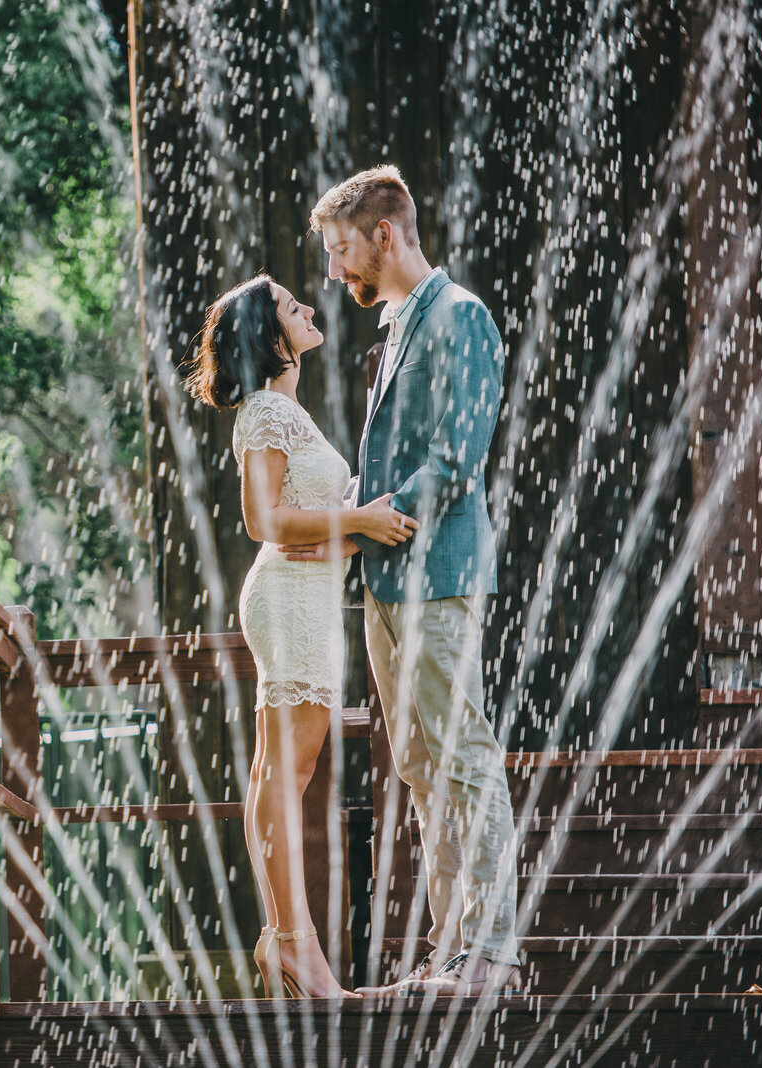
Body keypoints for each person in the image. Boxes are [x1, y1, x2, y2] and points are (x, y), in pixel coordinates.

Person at [295, 165, 520, 996]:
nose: (334, 270)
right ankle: (454, 950)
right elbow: (384, 461)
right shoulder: (394, 326)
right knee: (423, 765)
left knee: (462, 755)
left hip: (440, 572)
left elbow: (458, 458)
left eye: (341, 248)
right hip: (385, 584)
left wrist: (375, 513)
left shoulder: (460, 316)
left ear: (384, 235)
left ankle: (493, 953)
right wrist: (347, 522)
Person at [181, 274, 419, 999]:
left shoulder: (287, 412)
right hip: (288, 600)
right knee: (288, 778)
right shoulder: (264, 415)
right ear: (271, 337)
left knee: (278, 776)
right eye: (291, 307)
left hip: (305, 595)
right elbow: (264, 523)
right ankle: (295, 948)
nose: (310, 309)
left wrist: (353, 527)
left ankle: (285, 943)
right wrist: (357, 521)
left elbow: (305, 523)